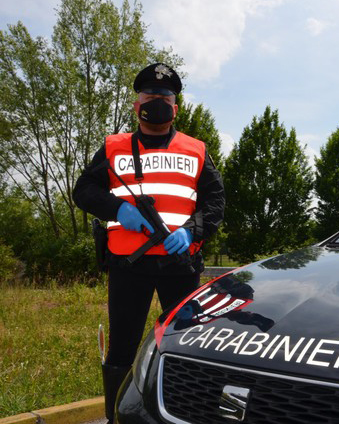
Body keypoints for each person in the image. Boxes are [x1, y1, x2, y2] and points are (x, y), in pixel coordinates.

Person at [73, 63, 225, 423]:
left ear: (176, 107)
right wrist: (117, 209)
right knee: (123, 349)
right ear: (136, 104)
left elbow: (216, 201)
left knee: (186, 347)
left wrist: (193, 229)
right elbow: (83, 190)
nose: (157, 101)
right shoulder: (113, 146)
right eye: (149, 96)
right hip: (129, 266)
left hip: (181, 266)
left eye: (165, 97)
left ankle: (187, 415)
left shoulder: (196, 150)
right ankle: (115, 417)